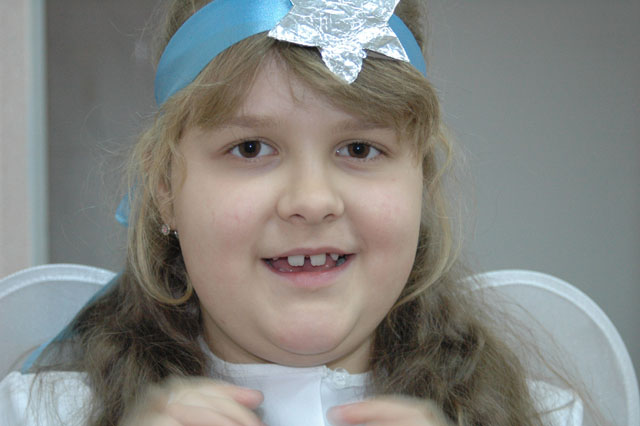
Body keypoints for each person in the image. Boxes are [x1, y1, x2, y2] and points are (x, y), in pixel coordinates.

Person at [0, 0, 583, 425]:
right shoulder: (43, 414)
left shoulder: (546, 415)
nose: (311, 201)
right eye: (251, 148)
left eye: (360, 149)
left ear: (422, 185)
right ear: (164, 190)